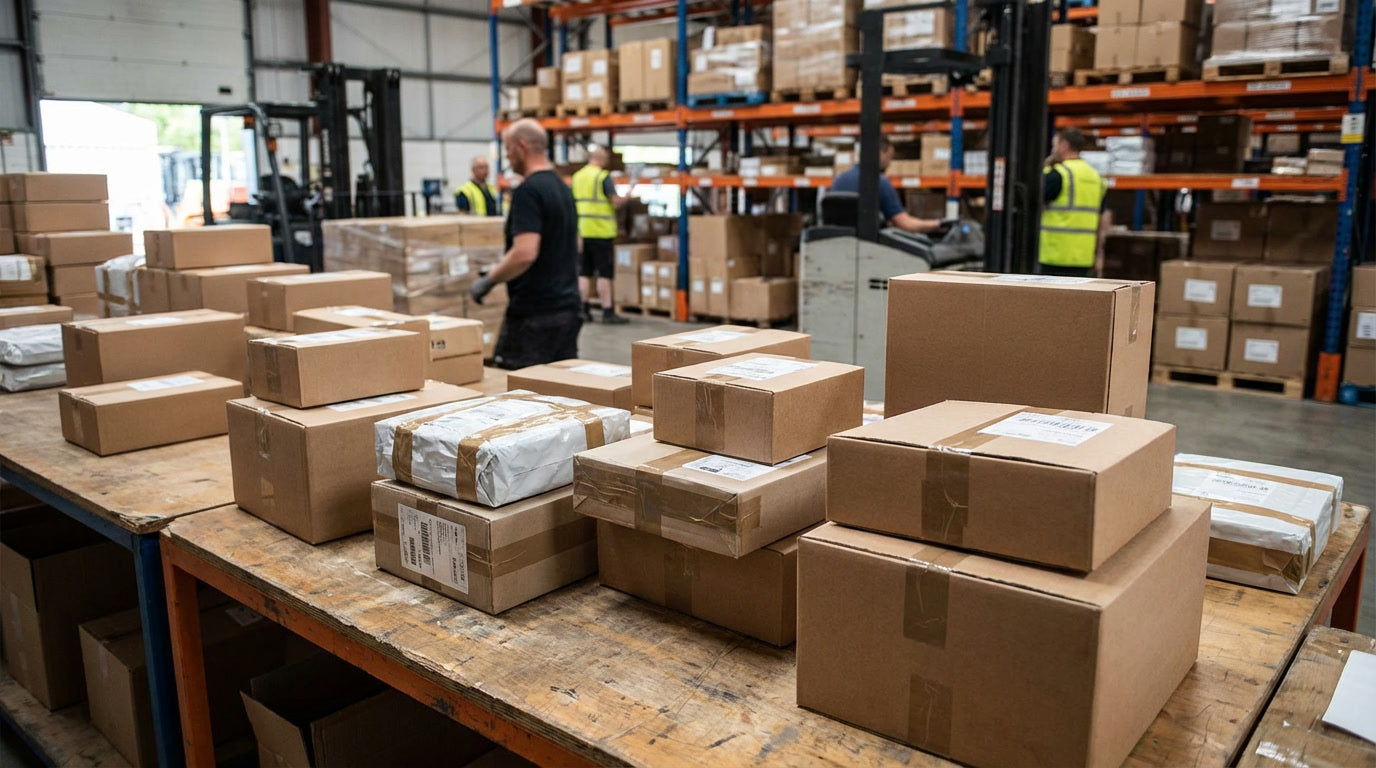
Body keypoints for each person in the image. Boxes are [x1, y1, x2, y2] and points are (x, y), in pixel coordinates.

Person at [469, 119, 582, 369]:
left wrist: (489, 280)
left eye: (508, 148)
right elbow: (577, 243)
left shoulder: (528, 192)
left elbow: (524, 253)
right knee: (561, 385)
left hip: (535, 314)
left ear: (522, 147)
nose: (507, 157)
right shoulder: (562, 188)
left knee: (520, 386)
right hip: (567, 309)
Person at [829, 136, 944, 234]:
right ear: (881, 153)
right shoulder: (879, 181)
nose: (889, 164)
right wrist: (937, 224)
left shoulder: (839, 179)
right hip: (869, 246)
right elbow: (905, 224)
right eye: (890, 157)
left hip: (840, 244)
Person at [571, 147, 631, 324]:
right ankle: (607, 311)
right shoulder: (603, 177)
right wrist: (628, 195)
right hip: (601, 232)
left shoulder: (577, 177)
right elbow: (616, 202)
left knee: (584, 272)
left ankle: (584, 310)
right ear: (602, 159)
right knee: (604, 273)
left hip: (583, 231)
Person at [1039, 127, 1110, 277]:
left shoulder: (1058, 174)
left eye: (1054, 145)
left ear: (1064, 145)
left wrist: (1045, 167)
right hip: (1083, 257)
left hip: (1054, 255)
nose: (1053, 150)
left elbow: (1030, 202)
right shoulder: (1096, 177)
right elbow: (1103, 218)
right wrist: (1099, 254)